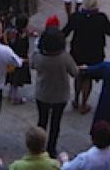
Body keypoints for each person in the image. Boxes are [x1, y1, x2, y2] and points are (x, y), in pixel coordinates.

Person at [63, 0, 110, 113]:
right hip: (94, 52)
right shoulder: (101, 18)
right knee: (88, 77)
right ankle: (84, 104)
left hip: (78, 51)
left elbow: (65, 31)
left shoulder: (76, 17)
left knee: (79, 74)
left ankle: (75, 99)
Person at [30, 25, 78, 157]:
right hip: (60, 95)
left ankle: (39, 146)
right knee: (56, 122)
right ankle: (51, 148)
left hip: (43, 93)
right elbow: (75, 72)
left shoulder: (39, 57)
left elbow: (31, 65)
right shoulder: (65, 58)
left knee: (42, 121)